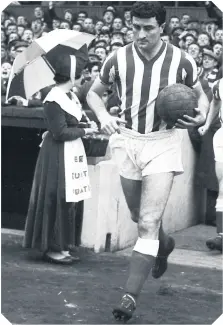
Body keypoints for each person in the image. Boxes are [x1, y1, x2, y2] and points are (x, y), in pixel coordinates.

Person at [87, 1, 209, 321]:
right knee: (135, 214)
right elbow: (93, 93)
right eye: (136, 27)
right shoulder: (117, 58)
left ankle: (129, 296)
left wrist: (197, 117)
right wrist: (102, 115)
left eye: (148, 28)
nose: (141, 34)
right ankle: (163, 245)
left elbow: (203, 101)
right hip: (128, 141)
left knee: (147, 222)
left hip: (163, 143)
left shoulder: (182, 60)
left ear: (162, 27)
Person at [23, 50, 98, 265]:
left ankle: (63, 245)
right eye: (81, 73)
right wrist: (86, 132)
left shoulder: (70, 95)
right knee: (57, 197)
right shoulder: (53, 99)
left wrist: (85, 125)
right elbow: (60, 133)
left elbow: (70, 124)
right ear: (72, 74)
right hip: (56, 154)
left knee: (69, 199)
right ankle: (52, 247)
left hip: (69, 151)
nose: (83, 77)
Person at [198, 78, 223, 252]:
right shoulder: (220, 84)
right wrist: (207, 124)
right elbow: (215, 102)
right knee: (222, 185)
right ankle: (221, 235)